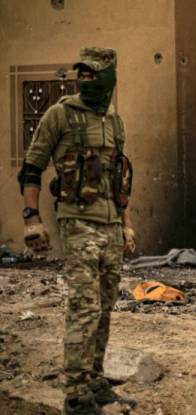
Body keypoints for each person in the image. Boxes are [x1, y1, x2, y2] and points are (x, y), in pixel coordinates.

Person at [18, 47, 137, 415]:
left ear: (108, 77)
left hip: (111, 224)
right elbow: (32, 167)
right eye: (81, 73)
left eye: (92, 74)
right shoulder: (60, 114)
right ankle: (75, 395)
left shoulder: (115, 122)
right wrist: (32, 218)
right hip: (78, 223)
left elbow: (119, 179)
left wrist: (127, 226)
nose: (84, 80)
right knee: (84, 307)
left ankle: (95, 382)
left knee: (104, 307)